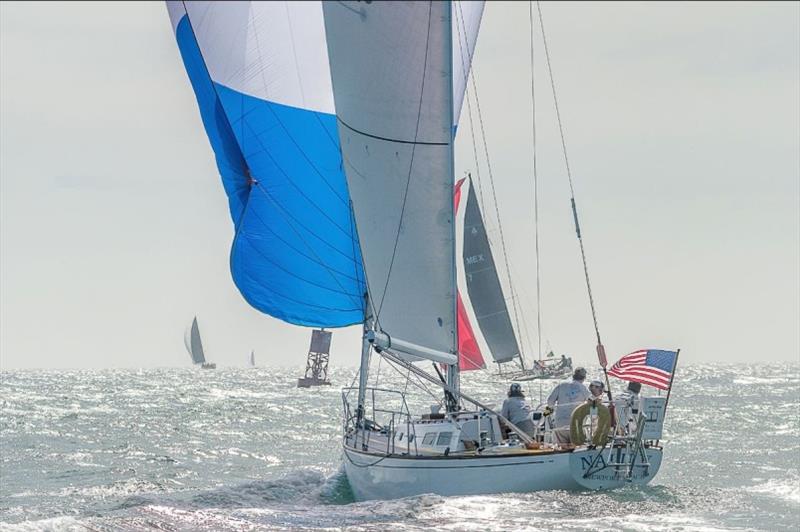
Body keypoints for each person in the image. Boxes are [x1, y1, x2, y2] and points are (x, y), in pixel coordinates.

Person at [544, 367, 591, 443]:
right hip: (575, 424)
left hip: (560, 422)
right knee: (577, 446)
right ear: (584, 378)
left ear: (573, 375)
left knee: (561, 447)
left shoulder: (561, 385)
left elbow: (550, 402)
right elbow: (592, 403)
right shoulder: (584, 389)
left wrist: (547, 416)